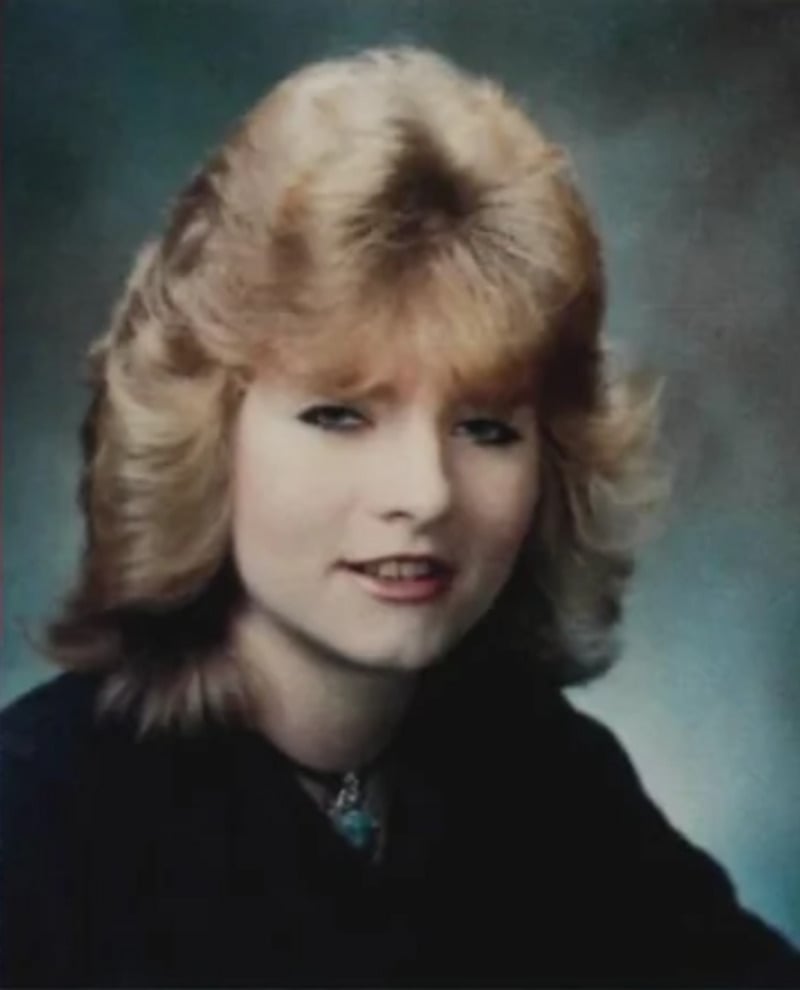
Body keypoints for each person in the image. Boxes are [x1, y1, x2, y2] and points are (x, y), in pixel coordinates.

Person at [1, 47, 798, 989]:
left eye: (486, 427)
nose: (426, 493)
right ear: (204, 436)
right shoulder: (38, 822)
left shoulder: (541, 773)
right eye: (340, 415)